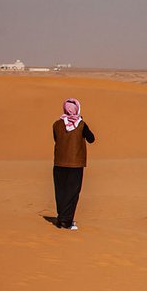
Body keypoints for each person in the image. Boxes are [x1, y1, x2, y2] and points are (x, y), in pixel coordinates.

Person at [52, 98, 95, 230]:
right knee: (72, 192)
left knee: (60, 191)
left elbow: (56, 139)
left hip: (59, 163)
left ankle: (61, 218)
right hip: (75, 164)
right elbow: (91, 139)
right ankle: (66, 221)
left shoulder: (56, 124)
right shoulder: (81, 124)